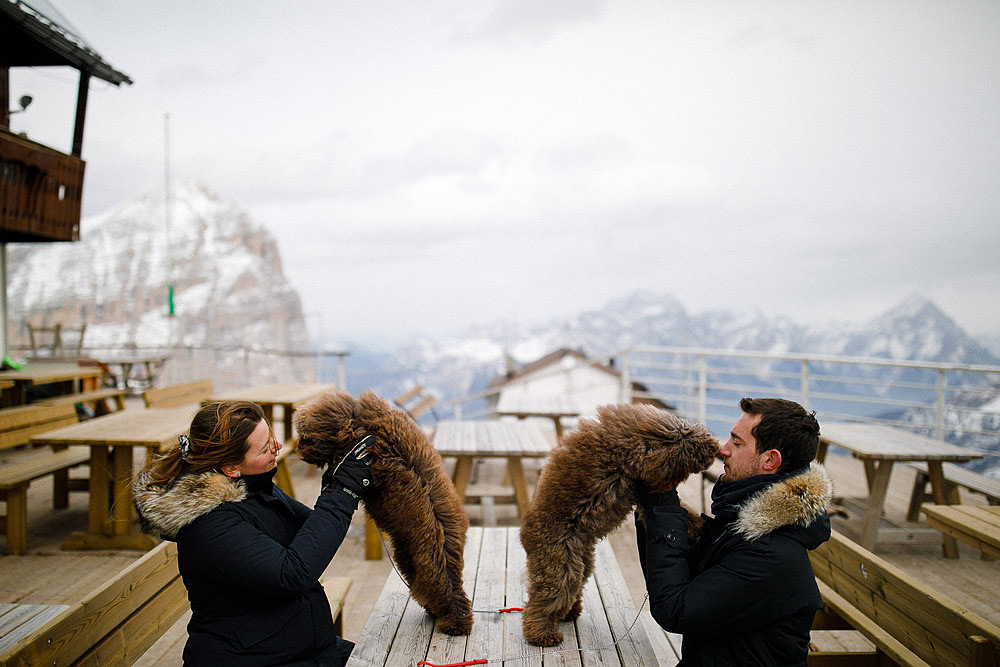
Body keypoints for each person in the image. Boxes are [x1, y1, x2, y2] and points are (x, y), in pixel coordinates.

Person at [134, 400, 372, 666]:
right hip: (252, 659)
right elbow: (292, 573)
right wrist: (342, 491)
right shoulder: (209, 524)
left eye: (271, 437)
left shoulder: (250, 487)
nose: (278, 447)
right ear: (230, 468)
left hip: (292, 647)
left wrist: (336, 476)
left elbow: (309, 531)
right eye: (265, 447)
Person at [635, 397, 832, 666]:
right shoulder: (750, 520)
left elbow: (676, 609)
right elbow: (692, 576)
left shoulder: (769, 553)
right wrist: (655, 500)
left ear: (770, 460)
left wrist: (662, 501)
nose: (723, 449)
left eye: (737, 443)